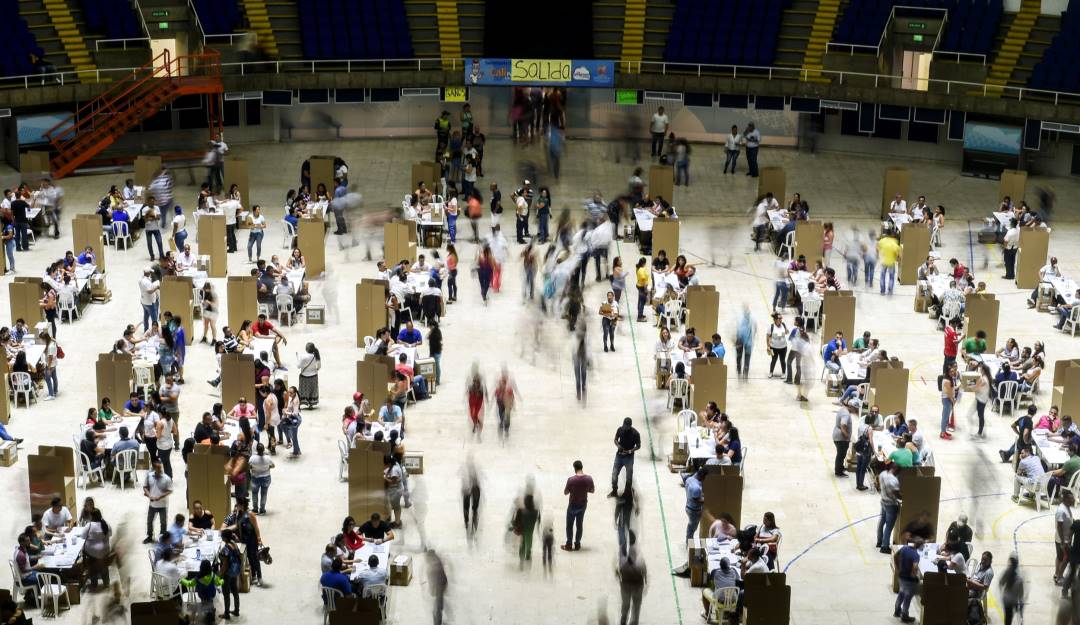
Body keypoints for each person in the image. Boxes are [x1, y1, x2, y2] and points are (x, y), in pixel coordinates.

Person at [562, 460, 594, 552]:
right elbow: (592, 490)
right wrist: (583, 490)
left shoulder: (571, 480)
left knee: (569, 525)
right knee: (579, 525)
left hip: (572, 504)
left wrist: (573, 490)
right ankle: (577, 544)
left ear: (574, 468)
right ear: (582, 467)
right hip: (583, 504)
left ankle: (569, 544)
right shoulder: (589, 478)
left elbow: (565, 492)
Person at [142, 460, 172, 544]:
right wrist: (149, 495)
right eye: (158, 468)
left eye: (160, 467)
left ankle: (162, 537)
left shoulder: (166, 478)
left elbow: (170, 490)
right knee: (149, 521)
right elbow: (145, 487)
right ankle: (149, 536)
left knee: (163, 522)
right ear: (154, 468)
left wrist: (160, 496)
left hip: (163, 504)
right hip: (152, 504)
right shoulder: (149, 476)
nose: (160, 469)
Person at [610, 418, 641, 498]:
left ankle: (626, 493)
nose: (625, 428)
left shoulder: (635, 433)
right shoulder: (620, 429)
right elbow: (615, 439)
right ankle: (614, 491)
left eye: (626, 427)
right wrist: (618, 445)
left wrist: (630, 451)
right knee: (614, 474)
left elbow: (638, 446)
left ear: (630, 426)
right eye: (624, 426)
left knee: (629, 477)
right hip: (619, 456)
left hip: (629, 458)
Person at [894, 536, 921, 623]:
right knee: (907, 597)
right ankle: (905, 615)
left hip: (901, 576)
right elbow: (915, 566)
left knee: (901, 593)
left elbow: (895, 556)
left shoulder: (904, 548)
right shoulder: (915, 554)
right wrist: (914, 575)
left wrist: (897, 568)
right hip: (909, 580)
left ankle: (897, 610)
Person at [876, 464, 901, 553]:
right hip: (891, 504)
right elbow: (897, 494)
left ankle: (879, 541)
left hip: (883, 501)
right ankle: (884, 546)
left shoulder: (882, 474)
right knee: (889, 526)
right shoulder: (893, 480)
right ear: (895, 469)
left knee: (881, 521)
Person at [998, 554, 1024, 625]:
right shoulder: (1019, 579)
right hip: (1012, 601)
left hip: (1006, 599)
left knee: (1008, 616)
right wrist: (1020, 603)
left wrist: (1002, 593)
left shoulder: (1007, 572)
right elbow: (1021, 594)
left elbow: (1000, 583)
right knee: (1009, 617)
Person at [249, 443, 274, 514]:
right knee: (264, 494)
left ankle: (255, 509)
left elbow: (249, 466)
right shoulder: (268, 458)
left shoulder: (252, 458)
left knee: (254, 493)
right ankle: (262, 509)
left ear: (257, 450)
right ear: (263, 450)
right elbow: (273, 465)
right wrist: (268, 467)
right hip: (266, 477)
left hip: (255, 477)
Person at [297, 342, 321, 408]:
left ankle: (301, 402)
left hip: (304, 376)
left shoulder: (303, 357)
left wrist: (298, 358)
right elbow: (318, 367)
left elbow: (298, 366)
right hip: (314, 376)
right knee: (312, 390)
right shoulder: (316, 356)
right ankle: (311, 404)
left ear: (306, 349)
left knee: (303, 390)